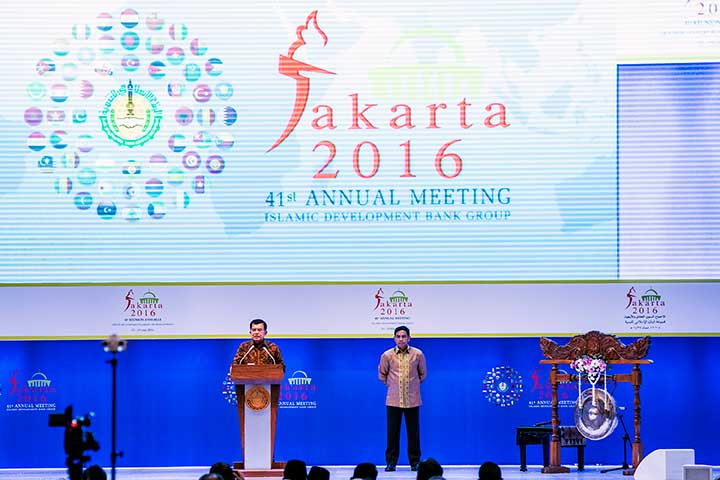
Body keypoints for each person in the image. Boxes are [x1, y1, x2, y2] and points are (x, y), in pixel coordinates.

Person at [378, 326, 427, 472]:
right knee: (392, 433)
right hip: (393, 400)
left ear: (409, 338)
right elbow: (382, 374)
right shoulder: (387, 355)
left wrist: (413, 386)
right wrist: (393, 386)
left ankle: (415, 462)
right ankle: (391, 463)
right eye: (398, 336)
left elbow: (423, 374)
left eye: (404, 336)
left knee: (414, 433)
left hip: (412, 400)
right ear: (394, 338)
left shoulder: (418, 354)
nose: (401, 339)